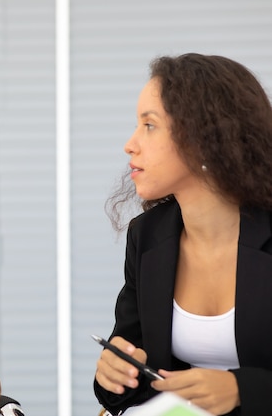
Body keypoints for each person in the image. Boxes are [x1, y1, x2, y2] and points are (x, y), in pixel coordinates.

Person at [93, 53, 272, 416]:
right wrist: (114, 374)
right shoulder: (147, 236)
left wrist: (242, 389)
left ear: (204, 139)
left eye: (150, 125)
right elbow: (131, 369)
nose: (130, 143)